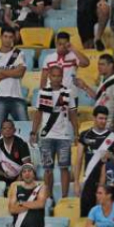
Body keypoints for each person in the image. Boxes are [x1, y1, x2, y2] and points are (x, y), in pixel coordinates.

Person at [34, 65, 78, 198]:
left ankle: (64, 197)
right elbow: (38, 113)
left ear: (62, 77)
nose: (56, 78)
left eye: (59, 76)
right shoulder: (42, 93)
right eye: (54, 75)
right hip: (46, 136)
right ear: (49, 76)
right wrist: (33, 132)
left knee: (64, 168)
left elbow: (73, 114)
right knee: (48, 169)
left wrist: (76, 132)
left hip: (64, 136)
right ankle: (49, 196)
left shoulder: (68, 93)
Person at [74, 107, 114, 216]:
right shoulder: (85, 135)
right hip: (89, 179)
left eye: (105, 119)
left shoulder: (113, 136)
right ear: (94, 118)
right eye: (100, 118)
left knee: (106, 215)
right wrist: (76, 183)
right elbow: (78, 160)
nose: (103, 121)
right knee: (87, 216)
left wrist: (110, 156)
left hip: (107, 181)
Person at [0, 25, 28, 122]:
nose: (7, 40)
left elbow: (20, 73)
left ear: (13, 38)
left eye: (10, 37)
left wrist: (1, 71)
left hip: (17, 96)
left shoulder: (19, 53)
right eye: (5, 36)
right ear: (1, 37)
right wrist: (13, 71)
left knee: (24, 126)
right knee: (0, 128)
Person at [8, 163, 46, 227]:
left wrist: (21, 203)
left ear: (34, 174)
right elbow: (12, 209)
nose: (27, 173)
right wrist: (32, 205)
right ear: (21, 175)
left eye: (29, 171)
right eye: (24, 172)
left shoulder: (41, 187)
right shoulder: (16, 188)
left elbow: (40, 204)